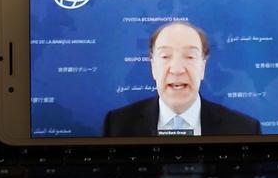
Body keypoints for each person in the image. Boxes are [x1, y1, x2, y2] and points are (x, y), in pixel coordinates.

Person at [103, 21, 261, 136]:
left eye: (190, 56)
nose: (177, 70)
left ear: (202, 67)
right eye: (165, 56)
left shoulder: (245, 129)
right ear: (153, 67)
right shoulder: (117, 125)